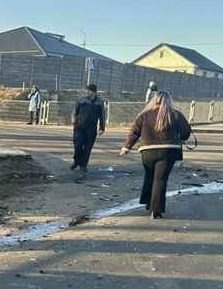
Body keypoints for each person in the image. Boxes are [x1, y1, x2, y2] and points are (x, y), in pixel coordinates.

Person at [120, 91, 191, 219]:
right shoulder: (176, 114)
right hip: (168, 151)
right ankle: (156, 210)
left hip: (147, 151)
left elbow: (135, 132)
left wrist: (127, 147)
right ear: (169, 101)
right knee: (160, 180)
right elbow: (186, 133)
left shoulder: (144, 115)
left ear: (154, 100)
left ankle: (148, 203)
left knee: (149, 176)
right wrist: (179, 137)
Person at [71, 84, 105, 174]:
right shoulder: (81, 100)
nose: (87, 92)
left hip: (91, 129)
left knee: (87, 148)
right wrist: (74, 122)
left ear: (94, 92)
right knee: (77, 145)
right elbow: (75, 112)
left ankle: (83, 165)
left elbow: (102, 115)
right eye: (86, 90)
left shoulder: (100, 102)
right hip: (79, 127)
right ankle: (76, 161)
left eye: (89, 91)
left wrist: (102, 128)